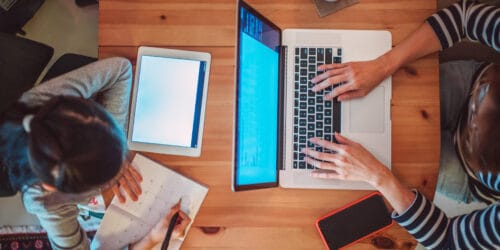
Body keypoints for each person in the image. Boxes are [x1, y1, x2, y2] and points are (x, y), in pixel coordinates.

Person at [305, 0, 499, 249]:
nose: (471, 123)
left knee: (390, 169)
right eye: (481, 104)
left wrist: (378, 175)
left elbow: (449, 240)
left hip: (467, 175)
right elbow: (463, 17)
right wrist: (383, 65)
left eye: (474, 136)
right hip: (468, 85)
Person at [0, 57, 190, 249]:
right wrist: (151, 239)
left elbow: (121, 69)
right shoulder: (45, 201)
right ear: (56, 189)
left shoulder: (55, 102)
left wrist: (119, 153)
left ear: (82, 110)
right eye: (106, 178)